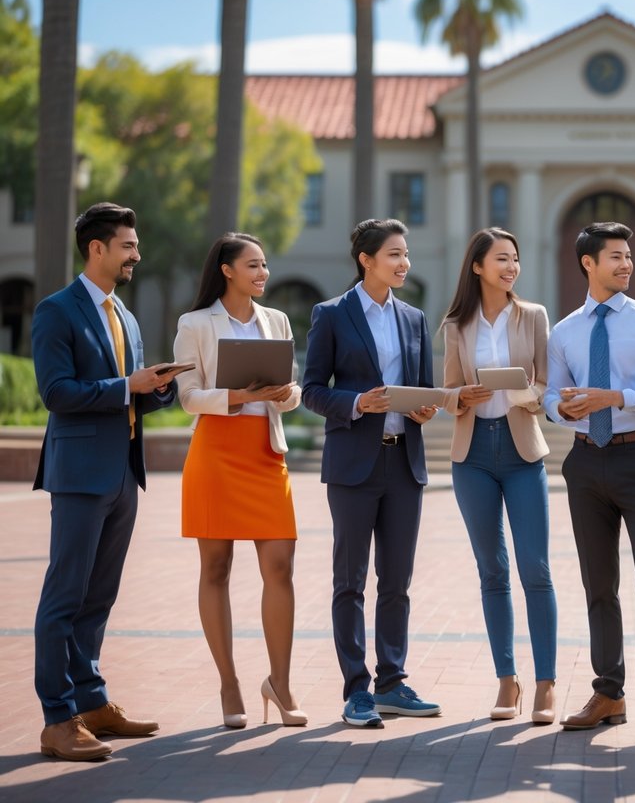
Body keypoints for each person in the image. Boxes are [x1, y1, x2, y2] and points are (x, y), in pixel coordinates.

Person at [31, 202, 178, 760]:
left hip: (123, 472)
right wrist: (125, 385)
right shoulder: (55, 311)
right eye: (128, 246)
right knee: (64, 596)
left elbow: (132, 394)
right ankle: (57, 718)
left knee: (99, 596)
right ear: (98, 249)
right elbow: (57, 393)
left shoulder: (126, 315)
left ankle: (91, 701)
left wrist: (157, 388)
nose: (136, 255)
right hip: (78, 474)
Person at [543, 221, 635, 738]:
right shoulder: (563, 331)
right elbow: (549, 396)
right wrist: (561, 408)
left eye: (629, 256)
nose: (627, 264)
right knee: (598, 585)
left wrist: (616, 398)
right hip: (584, 464)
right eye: (615, 257)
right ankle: (608, 693)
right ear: (589, 263)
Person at [302, 219, 441, 728]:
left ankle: (392, 683)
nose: (404, 263)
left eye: (406, 255)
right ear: (366, 259)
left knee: (397, 581)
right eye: (394, 254)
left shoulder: (414, 317)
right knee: (350, 580)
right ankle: (356, 689)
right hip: (353, 463)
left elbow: (423, 387)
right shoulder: (331, 315)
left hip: (404, 461)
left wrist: (427, 408)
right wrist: (357, 402)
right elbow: (312, 388)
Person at [173, 233, 307, 729]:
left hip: (265, 454)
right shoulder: (195, 323)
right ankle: (229, 684)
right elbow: (187, 396)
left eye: (265, 266)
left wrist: (283, 392)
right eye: (253, 265)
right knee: (216, 568)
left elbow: (290, 394)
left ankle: (280, 683)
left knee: (280, 565)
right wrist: (233, 394)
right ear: (227, 270)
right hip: (216, 451)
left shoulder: (277, 321)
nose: (263, 274)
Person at [438, 227, 558, 725]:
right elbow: (445, 390)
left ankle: (546, 684)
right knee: (493, 571)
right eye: (501, 259)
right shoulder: (456, 324)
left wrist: (525, 391)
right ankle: (507, 680)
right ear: (478, 267)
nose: (511, 267)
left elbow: (549, 384)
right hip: (473, 457)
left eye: (515, 259)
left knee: (536, 569)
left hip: (522, 450)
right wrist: (460, 397)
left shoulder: (533, 317)